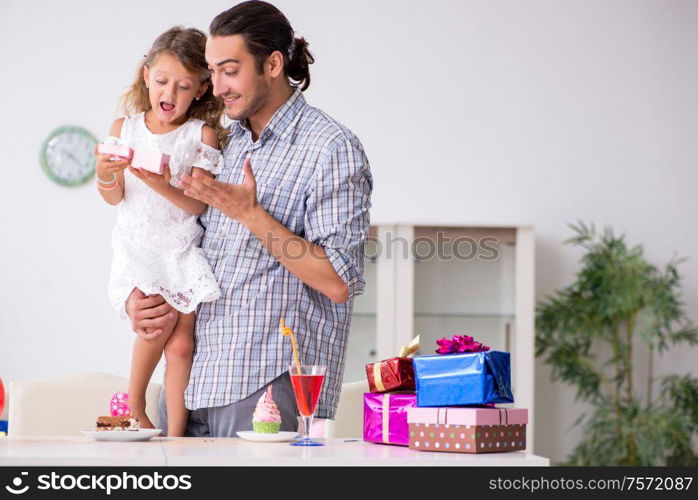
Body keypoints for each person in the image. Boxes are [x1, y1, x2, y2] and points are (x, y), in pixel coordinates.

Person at [126, 0, 373, 437]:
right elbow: (183, 241)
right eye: (212, 71)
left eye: (230, 69)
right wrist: (143, 299)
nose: (217, 86)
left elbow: (338, 281)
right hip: (191, 383)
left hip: (264, 385)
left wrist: (249, 214)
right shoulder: (227, 142)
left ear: (273, 63)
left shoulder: (330, 148)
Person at [95, 27, 226, 436]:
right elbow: (114, 198)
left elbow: (198, 204)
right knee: (155, 324)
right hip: (140, 249)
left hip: (182, 249)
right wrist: (104, 176)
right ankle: (134, 403)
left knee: (182, 345)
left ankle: (175, 436)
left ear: (202, 89)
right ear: (147, 75)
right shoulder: (125, 127)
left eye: (184, 85)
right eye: (162, 81)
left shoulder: (200, 135)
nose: (170, 92)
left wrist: (162, 183)